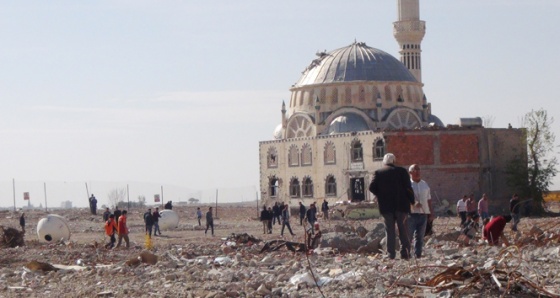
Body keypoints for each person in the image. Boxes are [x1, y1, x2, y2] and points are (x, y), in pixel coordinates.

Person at [369, 153, 414, 260]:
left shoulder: (378, 173)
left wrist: (380, 194)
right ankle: (405, 253)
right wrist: (412, 201)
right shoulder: (402, 172)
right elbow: (408, 188)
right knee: (403, 230)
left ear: (384, 162)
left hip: (386, 207)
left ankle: (391, 254)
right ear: (394, 161)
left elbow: (371, 187)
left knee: (389, 231)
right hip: (401, 206)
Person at [407, 164, 433, 258]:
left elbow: (429, 199)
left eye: (419, 169)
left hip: (423, 214)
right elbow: (404, 199)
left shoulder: (424, 184)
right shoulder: (408, 185)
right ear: (410, 173)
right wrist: (413, 203)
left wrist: (431, 213)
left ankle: (417, 255)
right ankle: (406, 254)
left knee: (420, 237)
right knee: (408, 236)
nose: (418, 171)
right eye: (415, 170)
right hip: (411, 214)